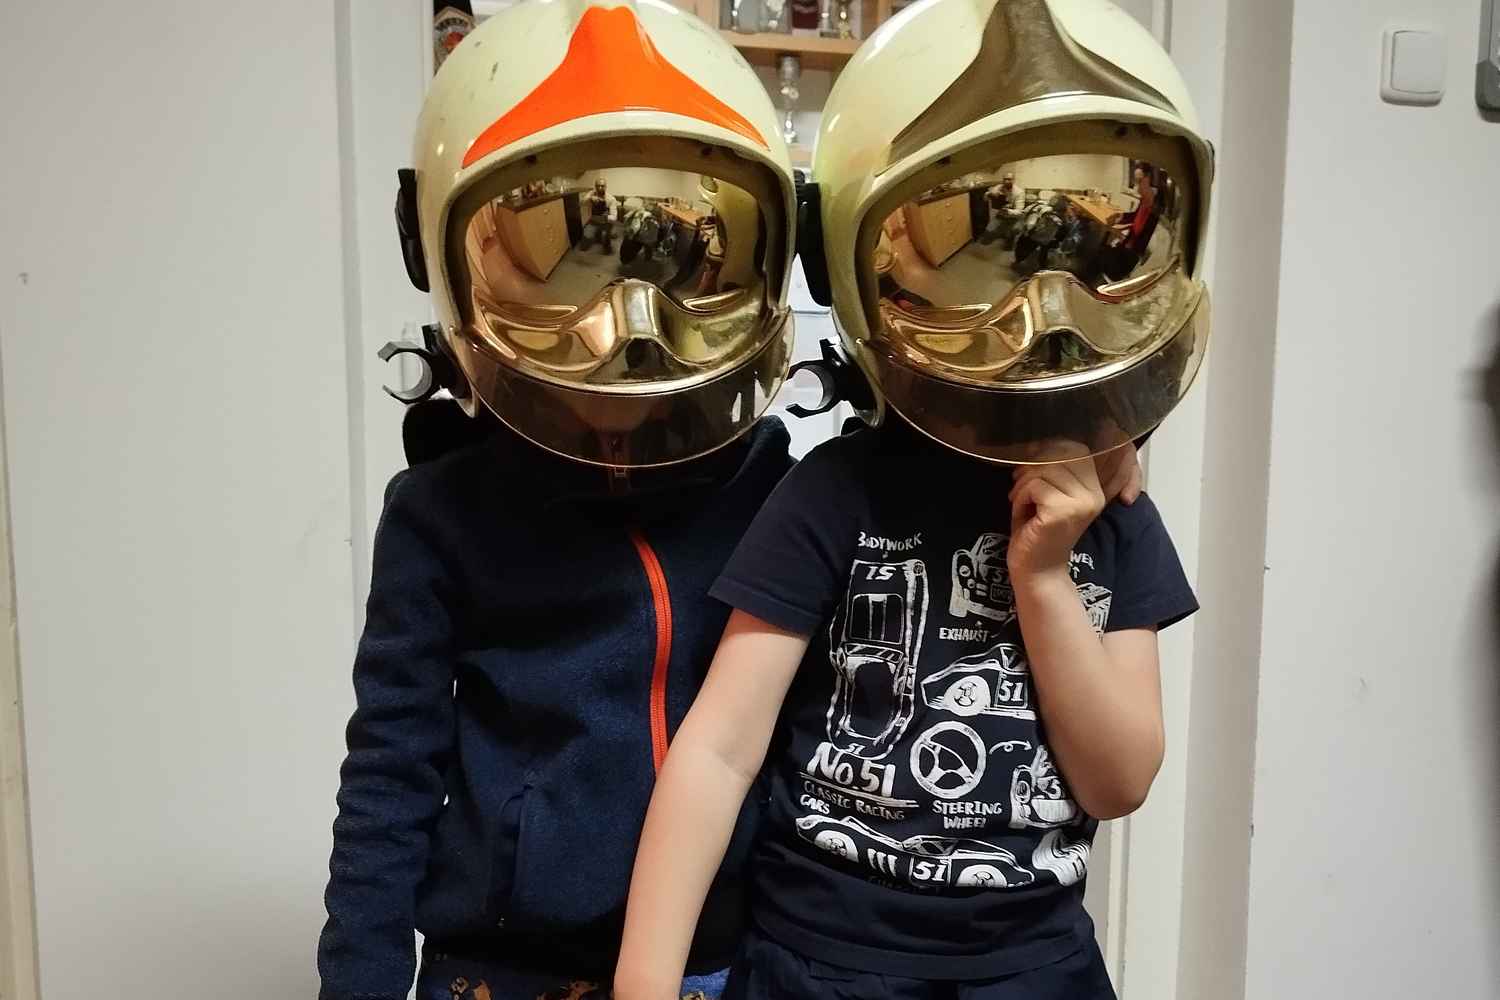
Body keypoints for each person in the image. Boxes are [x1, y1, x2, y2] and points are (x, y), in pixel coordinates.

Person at [613, 0, 1214, 997]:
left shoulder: (1116, 517)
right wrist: (645, 981)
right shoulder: (836, 492)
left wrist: (1044, 577)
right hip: (820, 965)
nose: (1041, 312)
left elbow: (1119, 780)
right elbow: (719, 751)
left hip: (1035, 969)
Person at [316, 3, 809, 999]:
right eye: (564, 270)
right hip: (504, 968)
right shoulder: (442, 516)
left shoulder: (773, 491)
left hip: (721, 961)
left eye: (672, 267)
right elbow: (390, 775)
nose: (624, 330)